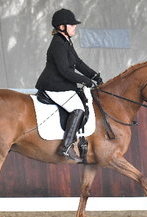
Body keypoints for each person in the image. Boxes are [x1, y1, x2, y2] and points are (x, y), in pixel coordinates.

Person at [35, 8, 103, 162]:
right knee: (77, 109)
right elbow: (65, 71)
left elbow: (77, 63)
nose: (74, 27)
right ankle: (66, 146)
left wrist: (94, 76)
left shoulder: (66, 42)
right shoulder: (58, 44)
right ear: (61, 27)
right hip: (53, 86)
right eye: (71, 25)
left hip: (62, 85)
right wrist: (85, 81)